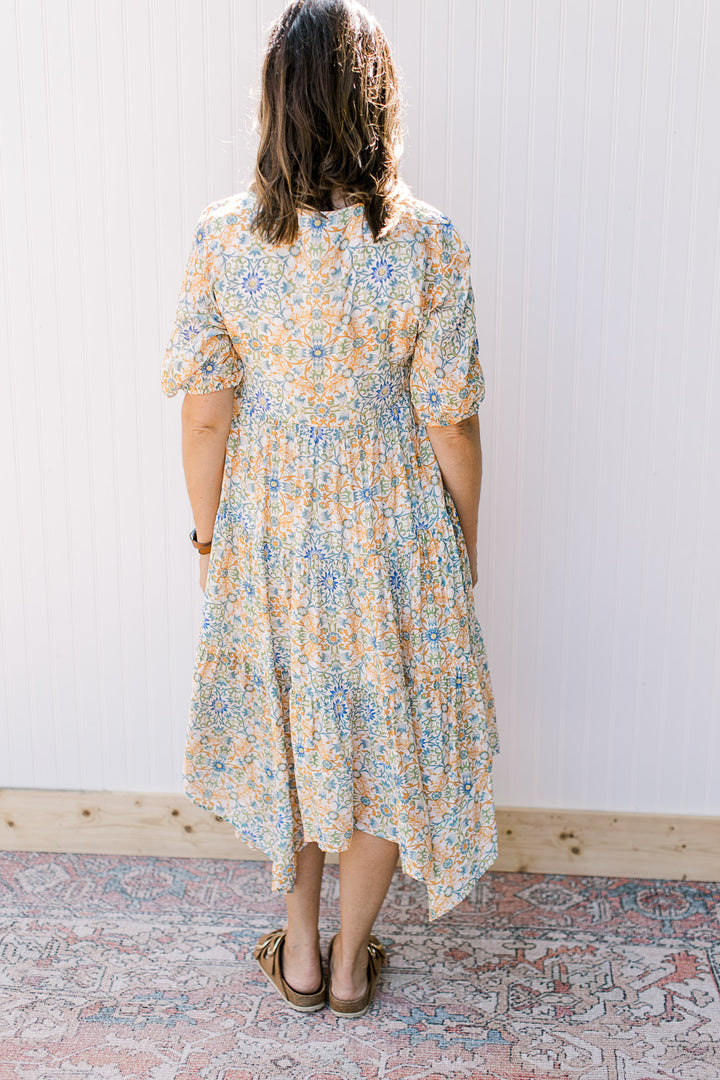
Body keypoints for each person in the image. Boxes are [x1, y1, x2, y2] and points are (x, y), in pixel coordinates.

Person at [161, 0, 499, 1018]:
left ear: (277, 104)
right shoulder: (428, 243)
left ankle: (299, 958)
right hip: (395, 526)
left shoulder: (225, 240)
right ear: (375, 105)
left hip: (272, 525)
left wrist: (212, 537)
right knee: (385, 742)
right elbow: (451, 424)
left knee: (298, 733)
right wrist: (462, 547)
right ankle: (353, 965)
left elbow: (208, 418)